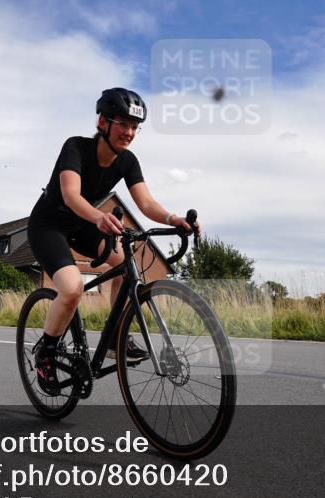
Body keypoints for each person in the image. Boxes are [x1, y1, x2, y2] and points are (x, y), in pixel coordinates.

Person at [27, 87, 200, 394]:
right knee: (71, 288)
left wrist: (175, 220)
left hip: (83, 225)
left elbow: (146, 204)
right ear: (102, 123)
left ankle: (114, 339)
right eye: (123, 124)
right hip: (49, 225)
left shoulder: (127, 161)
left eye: (135, 127)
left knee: (124, 264)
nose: (129, 132)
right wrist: (97, 217)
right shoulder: (76, 148)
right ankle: (46, 352)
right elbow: (71, 195)